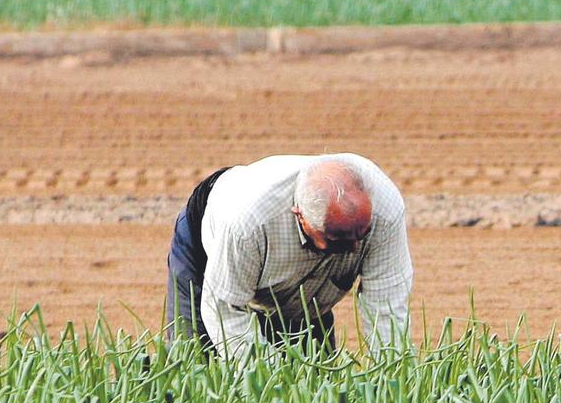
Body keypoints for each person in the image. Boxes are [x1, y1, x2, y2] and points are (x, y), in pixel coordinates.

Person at [164, 153, 412, 360]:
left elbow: (387, 306)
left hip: (297, 284)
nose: (354, 248)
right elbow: (224, 308)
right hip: (209, 243)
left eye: (362, 234)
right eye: (339, 240)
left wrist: (391, 378)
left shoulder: (385, 212)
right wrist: (266, 376)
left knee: (313, 379)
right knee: (195, 362)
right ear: (300, 216)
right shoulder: (247, 225)